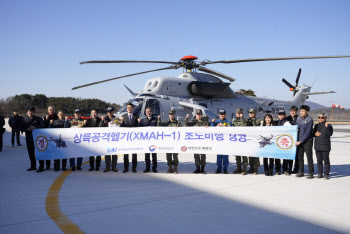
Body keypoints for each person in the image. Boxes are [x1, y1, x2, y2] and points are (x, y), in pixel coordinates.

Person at [21, 107, 45, 172]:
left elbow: (43, 126)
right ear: (27, 112)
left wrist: (35, 127)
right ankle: (33, 166)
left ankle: (41, 166)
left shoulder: (38, 119)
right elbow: (21, 128)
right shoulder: (24, 119)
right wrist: (27, 129)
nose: (30, 112)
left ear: (34, 112)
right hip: (29, 138)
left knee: (39, 153)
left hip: (38, 139)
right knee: (31, 153)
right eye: (29, 111)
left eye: (31, 111)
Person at [158, 110, 182, 174]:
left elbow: (182, 131)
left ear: (174, 115)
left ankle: (175, 168)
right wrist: (159, 119)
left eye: (172, 114)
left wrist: (178, 128)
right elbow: (159, 128)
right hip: (168, 142)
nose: (171, 115)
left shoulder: (178, 123)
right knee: (168, 155)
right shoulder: (166, 123)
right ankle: (170, 168)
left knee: (175, 156)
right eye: (170, 114)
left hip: (175, 142)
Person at [185, 109, 209, 174]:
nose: (198, 116)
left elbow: (210, 129)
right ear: (196, 115)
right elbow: (186, 125)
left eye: (200, 114)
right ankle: (198, 168)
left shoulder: (205, 122)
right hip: (196, 141)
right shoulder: (193, 122)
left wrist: (208, 127)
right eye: (197, 114)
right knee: (196, 155)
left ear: (201, 115)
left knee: (203, 155)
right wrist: (186, 118)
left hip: (203, 141)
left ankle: (202, 169)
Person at [295, 105, 314, 179]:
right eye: (300, 111)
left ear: (307, 112)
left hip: (307, 141)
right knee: (300, 157)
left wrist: (301, 141)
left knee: (309, 157)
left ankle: (310, 172)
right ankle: (301, 171)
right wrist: (296, 129)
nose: (301, 113)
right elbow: (297, 127)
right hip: (299, 141)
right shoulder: (298, 118)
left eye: (303, 111)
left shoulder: (309, 120)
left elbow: (308, 132)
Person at [313, 113, 333, 180]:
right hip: (317, 146)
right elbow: (313, 134)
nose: (320, 119)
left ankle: (326, 174)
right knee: (319, 161)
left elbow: (330, 134)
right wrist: (315, 134)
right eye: (319, 117)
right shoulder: (316, 125)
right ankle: (320, 173)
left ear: (325, 118)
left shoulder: (329, 125)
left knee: (326, 161)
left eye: (322, 117)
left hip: (325, 146)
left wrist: (327, 127)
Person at [138, 107, 158, 173]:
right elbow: (138, 130)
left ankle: (154, 168)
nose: (148, 113)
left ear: (152, 112)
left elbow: (160, 128)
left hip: (154, 141)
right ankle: (147, 168)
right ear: (145, 113)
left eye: (149, 111)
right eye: (147, 112)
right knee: (147, 156)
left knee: (154, 156)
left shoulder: (156, 120)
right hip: (146, 141)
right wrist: (138, 123)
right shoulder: (143, 120)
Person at [211, 109, 231, 174]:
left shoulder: (229, 122)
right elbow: (211, 129)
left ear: (225, 115)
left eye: (223, 114)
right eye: (221, 114)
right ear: (219, 115)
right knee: (219, 157)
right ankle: (219, 169)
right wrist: (212, 123)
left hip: (225, 142)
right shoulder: (216, 122)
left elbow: (232, 128)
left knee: (225, 157)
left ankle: (225, 169)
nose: (222, 115)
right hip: (218, 142)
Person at [120, 103, 139, 173]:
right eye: (128, 107)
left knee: (134, 154)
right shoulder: (123, 116)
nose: (129, 109)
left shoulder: (136, 116)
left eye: (130, 107)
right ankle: (126, 168)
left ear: (133, 108)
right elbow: (120, 127)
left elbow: (139, 127)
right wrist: (121, 122)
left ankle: (134, 168)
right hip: (126, 139)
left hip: (134, 138)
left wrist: (138, 123)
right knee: (125, 154)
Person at [100, 107, 119, 172]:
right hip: (107, 139)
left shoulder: (116, 119)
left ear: (113, 112)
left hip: (114, 139)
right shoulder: (105, 119)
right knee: (107, 153)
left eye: (111, 111)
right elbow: (100, 127)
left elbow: (120, 127)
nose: (109, 113)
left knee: (114, 154)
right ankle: (107, 167)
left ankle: (114, 167)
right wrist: (102, 121)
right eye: (108, 112)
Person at [232, 108, 249, 175]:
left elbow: (245, 125)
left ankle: (244, 169)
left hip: (243, 141)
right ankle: (239, 168)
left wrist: (242, 118)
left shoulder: (245, 120)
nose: (238, 114)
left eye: (240, 113)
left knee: (244, 155)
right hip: (237, 141)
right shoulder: (235, 121)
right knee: (237, 155)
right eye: (237, 113)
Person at [275, 109, 292, 175]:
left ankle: (285, 169)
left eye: (282, 114)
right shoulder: (276, 122)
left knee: (285, 156)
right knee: (277, 156)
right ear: (278, 115)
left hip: (284, 141)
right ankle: (278, 170)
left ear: (285, 115)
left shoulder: (288, 122)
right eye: (280, 114)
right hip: (277, 142)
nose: (281, 115)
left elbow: (294, 126)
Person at [42, 105, 58, 170]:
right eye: (50, 110)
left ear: (54, 110)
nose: (51, 111)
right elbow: (44, 126)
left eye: (52, 109)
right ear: (48, 110)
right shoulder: (46, 117)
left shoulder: (57, 117)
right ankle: (48, 165)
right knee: (48, 152)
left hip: (55, 136)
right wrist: (46, 120)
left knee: (56, 152)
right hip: (48, 137)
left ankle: (56, 166)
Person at [246, 108, 261, 175]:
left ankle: (256, 169)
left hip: (255, 139)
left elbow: (256, 126)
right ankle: (251, 168)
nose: (251, 114)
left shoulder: (257, 120)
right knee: (250, 154)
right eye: (250, 113)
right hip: (249, 140)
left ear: (255, 114)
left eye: (252, 113)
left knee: (256, 154)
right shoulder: (247, 120)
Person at [285, 105, 299, 173]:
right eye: (291, 111)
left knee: (297, 155)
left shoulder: (299, 118)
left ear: (296, 112)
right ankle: (289, 168)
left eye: (294, 111)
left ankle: (296, 169)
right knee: (289, 154)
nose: (292, 112)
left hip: (297, 139)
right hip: (289, 139)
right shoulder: (287, 118)